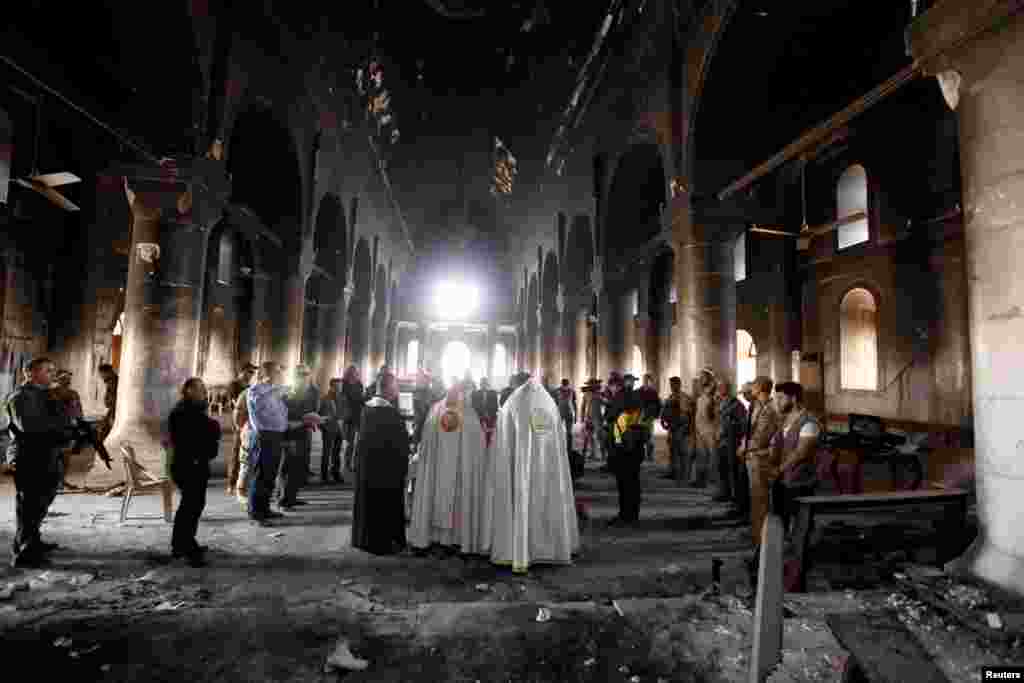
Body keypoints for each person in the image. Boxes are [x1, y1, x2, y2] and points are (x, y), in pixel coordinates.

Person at [488, 376, 580, 573]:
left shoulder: (514, 403)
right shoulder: (548, 404)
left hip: (521, 473)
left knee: (521, 500)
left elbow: (502, 441)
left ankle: (520, 549)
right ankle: (552, 547)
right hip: (548, 470)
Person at [7, 357, 75, 568]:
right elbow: (30, 427)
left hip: (46, 454)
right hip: (30, 456)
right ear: (30, 373)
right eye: (47, 371)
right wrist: (61, 428)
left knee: (40, 503)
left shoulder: (44, 394)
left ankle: (31, 542)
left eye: (52, 370)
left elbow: (60, 419)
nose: (52, 375)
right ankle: (25, 554)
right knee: (30, 505)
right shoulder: (20, 397)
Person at [408, 380, 489, 554]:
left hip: (451, 471)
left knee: (445, 497)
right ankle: (447, 538)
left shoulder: (449, 411)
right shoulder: (456, 411)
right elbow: (428, 442)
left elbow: (475, 443)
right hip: (447, 471)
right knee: (444, 497)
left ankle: (446, 538)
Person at [351, 370, 411, 555]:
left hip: (367, 468)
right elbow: (401, 445)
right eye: (395, 386)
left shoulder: (366, 409)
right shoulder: (390, 414)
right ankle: (383, 541)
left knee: (366, 503)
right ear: (388, 388)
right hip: (385, 472)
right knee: (383, 505)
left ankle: (363, 539)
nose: (397, 390)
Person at [166, 377, 221, 567]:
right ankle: (186, 548)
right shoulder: (182, 411)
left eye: (204, 389)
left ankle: (183, 543)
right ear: (188, 390)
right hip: (188, 465)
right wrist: (212, 428)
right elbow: (194, 436)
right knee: (190, 506)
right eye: (200, 389)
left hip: (196, 464)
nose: (204, 392)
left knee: (194, 505)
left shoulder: (193, 409)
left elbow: (206, 429)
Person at [770, 382, 820, 533]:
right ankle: (781, 552)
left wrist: (779, 469)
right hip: (782, 480)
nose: (776, 402)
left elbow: (801, 453)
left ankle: (800, 553)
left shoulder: (809, 422)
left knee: (800, 524)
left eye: (780, 398)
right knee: (780, 520)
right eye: (775, 398)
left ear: (793, 398)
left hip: (799, 481)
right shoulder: (784, 420)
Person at [246, 362, 290, 526]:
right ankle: (255, 513)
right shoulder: (256, 390)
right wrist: (275, 391)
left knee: (270, 476)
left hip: (276, 436)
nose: (281, 375)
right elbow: (260, 406)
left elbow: (280, 414)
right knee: (260, 475)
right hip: (263, 436)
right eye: (278, 372)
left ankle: (264, 508)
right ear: (268, 374)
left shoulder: (276, 391)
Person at [277, 364, 321, 510]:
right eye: (299, 374)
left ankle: (291, 496)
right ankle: (284, 499)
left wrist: (313, 418)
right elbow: (284, 411)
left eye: (305, 374)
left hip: (305, 431)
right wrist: (301, 419)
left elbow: (314, 408)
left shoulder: (313, 390)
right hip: (291, 432)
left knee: (299, 467)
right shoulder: (288, 391)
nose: (302, 377)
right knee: (288, 466)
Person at [608, 377, 650, 526]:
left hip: (624, 448)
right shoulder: (636, 399)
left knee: (625, 483)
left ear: (616, 386)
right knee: (633, 482)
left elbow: (613, 419)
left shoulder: (620, 398)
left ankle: (625, 516)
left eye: (611, 387)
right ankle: (632, 515)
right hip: (636, 447)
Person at [745, 376, 781, 549]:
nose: (751, 387)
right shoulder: (759, 406)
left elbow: (761, 438)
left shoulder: (768, 410)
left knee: (761, 501)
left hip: (760, 458)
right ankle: (756, 534)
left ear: (760, 388)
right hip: (753, 456)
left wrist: (745, 447)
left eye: (753, 385)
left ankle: (762, 540)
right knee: (755, 499)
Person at [713, 379, 748, 505]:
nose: (720, 389)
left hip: (731, 441)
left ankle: (735, 495)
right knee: (721, 467)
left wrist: (728, 427)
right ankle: (724, 492)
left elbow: (742, 424)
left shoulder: (736, 404)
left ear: (728, 389)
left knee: (732, 469)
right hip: (720, 441)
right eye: (719, 387)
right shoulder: (719, 402)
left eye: (723, 387)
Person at [224, 364, 257, 495]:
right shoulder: (234, 385)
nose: (251, 375)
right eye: (249, 372)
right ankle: (231, 483)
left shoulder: (249, 387)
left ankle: (241, 482)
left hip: (247, 423)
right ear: (242, 371)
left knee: (245, 453)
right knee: (237, 451)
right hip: (239, 422)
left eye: (253, 373)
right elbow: (235, 404)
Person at [50, 369, 83, 492]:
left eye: (68, 378)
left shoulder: (74, 394)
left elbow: (78, 411)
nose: (67, 380)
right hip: (53, 429)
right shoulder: (50, 393)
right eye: (64, 378)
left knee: (66, 457)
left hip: (69, 429)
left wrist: (80, 426)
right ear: (57, 378)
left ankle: (61, 481)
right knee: (54, 457)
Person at [660, 376, 694, 485]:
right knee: (672, 451)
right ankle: (673, 471)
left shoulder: (684, 397)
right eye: (671, 385)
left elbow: (688, 414)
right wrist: (664, 422)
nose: (672, 387)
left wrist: (687, 427)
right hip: (672, 428)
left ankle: (683, 475)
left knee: (682, 452)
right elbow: (665, 411)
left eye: (674, 384)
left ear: (679, 384)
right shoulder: (670, 397)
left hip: (680, 428)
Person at [232, 373, 256, 509]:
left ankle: (251, 492)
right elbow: (238, 413)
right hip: (249, 432)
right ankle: (241, 492)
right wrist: (243, 428)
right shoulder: (247, 393)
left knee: (253, 465)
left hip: (258, 434)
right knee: (246, 464)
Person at [693, 369, 719, 488]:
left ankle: (712, 481)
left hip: (710, 429)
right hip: (700, 428)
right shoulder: (701, 393)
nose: (701, 379)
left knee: (713, 456)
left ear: (709, 378)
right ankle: (700, 479)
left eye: (703, 377)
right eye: (700, 377)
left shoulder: (714, 393)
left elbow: (715, 412)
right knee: (701, 455)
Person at [320, 378, 344, 484]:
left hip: (339, 429)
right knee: (327, 453)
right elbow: (319, 414)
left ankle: (336, 473)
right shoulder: (325, 398)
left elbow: (346, 411)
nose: (339, 388)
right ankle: (324, 475)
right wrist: (324, 426)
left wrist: (342, 418)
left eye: (340, 386)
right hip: (328, 429)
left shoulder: (342, 398)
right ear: (331, 387)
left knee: (337, 453)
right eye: (337, 386)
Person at [341, 366, 365, 473]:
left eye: (355, 372)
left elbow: (361, 398)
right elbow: (345, 399)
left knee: (359, 442)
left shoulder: (359, 384)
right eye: (352, 372)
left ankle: (355, 463)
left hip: (359, 415)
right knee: (350, 442)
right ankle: (347, 463)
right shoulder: (344, 384)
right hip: (349, 417)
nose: (354, 374)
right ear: (348, 373)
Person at [579, 379, 604, 463]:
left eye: (593, 384)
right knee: (588, 437)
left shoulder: (600, 394)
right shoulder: (586, 394)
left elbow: (605, 403)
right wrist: (582, 418)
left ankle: (601, 454)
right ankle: (590, 453)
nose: (592, 385)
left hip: (597, 418)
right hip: (588, 418)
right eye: (590, 384)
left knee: (599, 436)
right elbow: (583, 406)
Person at [638, 374, 661, 463]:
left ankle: (649, 455)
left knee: (649, 436)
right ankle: (641, 455)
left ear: (650, 381)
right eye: (645, 380)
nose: (646, 382)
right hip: (640, 416)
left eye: (648, 380)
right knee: (640, 436)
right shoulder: (638, 391)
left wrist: (655, 415)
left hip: (649, 417)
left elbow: (658, 404)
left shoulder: (653, 392)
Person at [472, 377, 499, 447]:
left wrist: (489, 414)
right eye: (482, 383)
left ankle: (488, 444)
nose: (483, 385)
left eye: (485, 383)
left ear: (487, 384)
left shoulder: (493, 393)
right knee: (479, 432)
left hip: (490, 416)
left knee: (489, 432)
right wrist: (482, 414)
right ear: (480, 384)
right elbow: (474, 405)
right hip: (479, 416)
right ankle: (478, 445)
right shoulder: (475, 393)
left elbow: (495, 406)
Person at [555, 379, 577, 454]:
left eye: (566, 384)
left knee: (569, 432)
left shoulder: (572, 391)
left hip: (568, 413)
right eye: (564, 384)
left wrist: (576, 414)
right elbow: (554, 402)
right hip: (560, 413)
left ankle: (569, 448)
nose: (565, 386)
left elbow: (574, 403)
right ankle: (559, 446)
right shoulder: (557, 390)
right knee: (558, 431)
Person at [97, 363, 118, 443]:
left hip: (114, 411)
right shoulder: (111, 381)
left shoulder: (113, 382)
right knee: (102, 432)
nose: (101, 376)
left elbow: (113, 399)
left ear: (107, 372)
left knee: (103, 433)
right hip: (112, 411)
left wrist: (111, 416)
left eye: (101, 374)